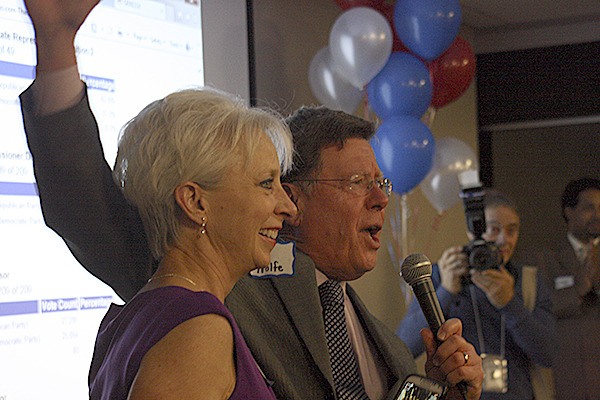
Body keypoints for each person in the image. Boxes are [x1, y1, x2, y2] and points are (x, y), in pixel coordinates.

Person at [20, 2, 483, 399]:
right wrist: (57, 50)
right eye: (357, 182)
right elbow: (90, 214)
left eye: (381, 185)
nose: (381, 201)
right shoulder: (220, 287)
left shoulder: (391, 347)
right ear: (297, 197)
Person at [22, 2, 298, 399]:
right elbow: (80, 203)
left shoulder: (149, 313)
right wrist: (56, 41)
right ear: (194, 202)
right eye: (266, 184)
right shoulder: (196, 328)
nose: (288, 208)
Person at [397, 190, 556, 399]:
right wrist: (446, 291)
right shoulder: (443, 274)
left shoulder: (528, 282)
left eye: (511, 230)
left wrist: (509, 303)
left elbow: (548, 354)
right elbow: (404, 348)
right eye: (494, 229)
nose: (503, 240)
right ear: (473, 229)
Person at [531, 178, 600, 399]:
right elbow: (544, 306)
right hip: (569, 371)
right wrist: (581, 287)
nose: (597, 215)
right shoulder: (546, 257)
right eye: (589, 207)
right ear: (569, 211)